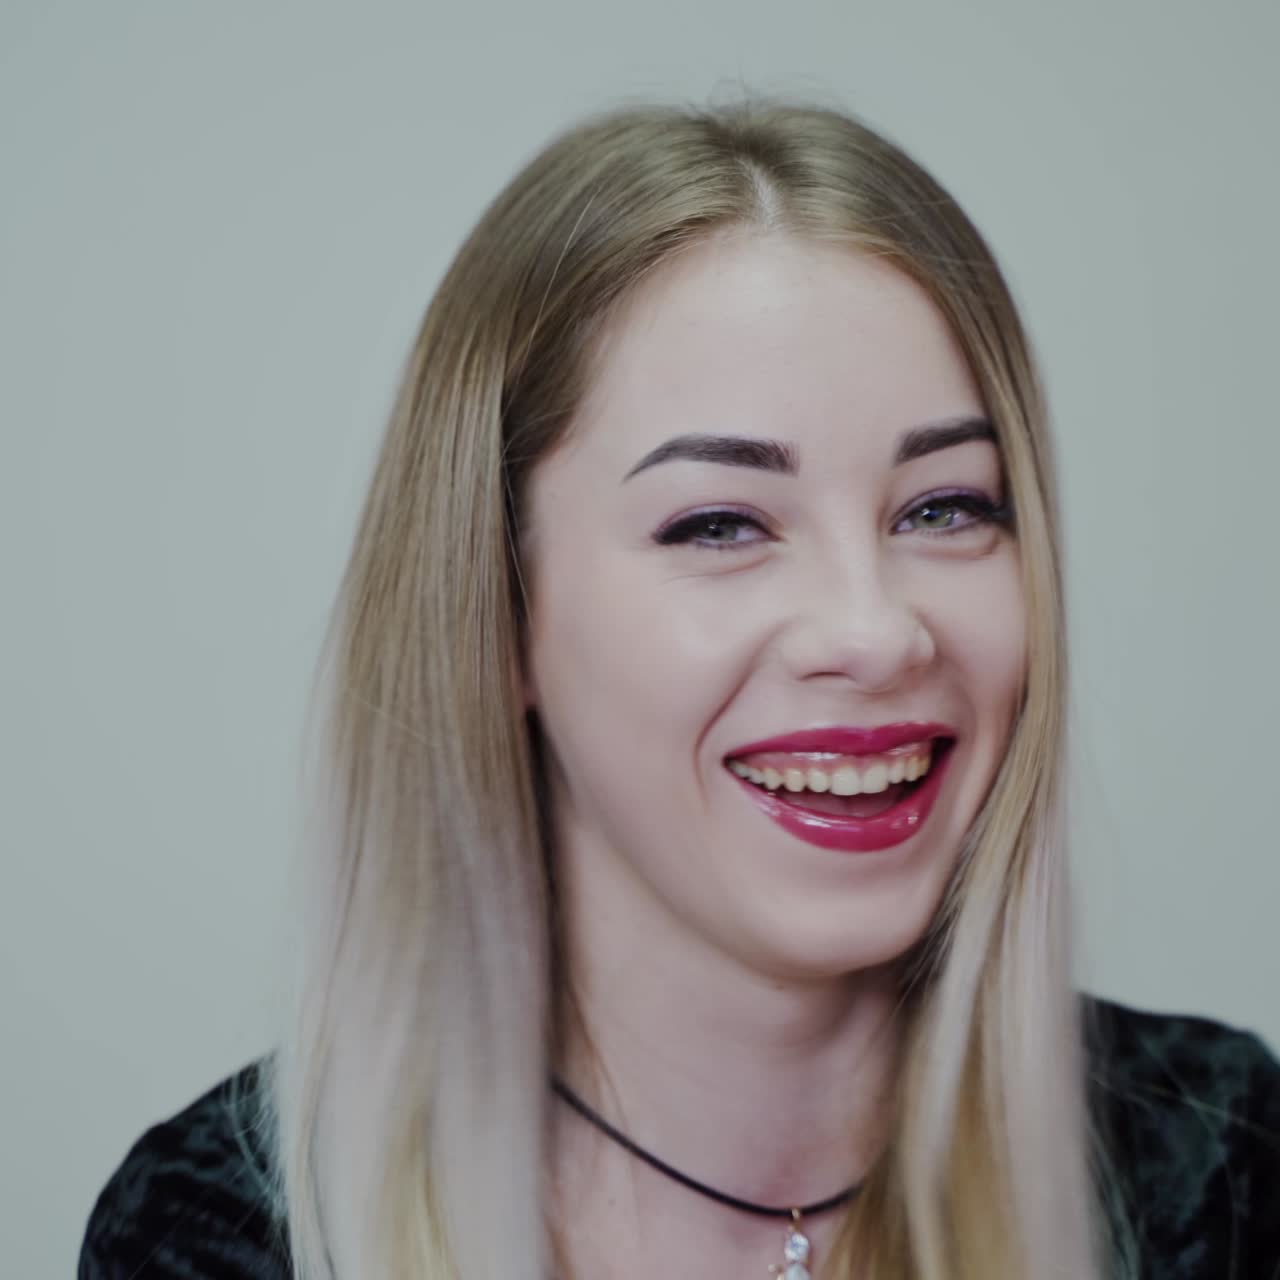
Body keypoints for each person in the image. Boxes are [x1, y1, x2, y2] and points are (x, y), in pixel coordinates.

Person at [80, 98, 1279, 1280]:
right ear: (494, 615)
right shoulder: (232, 1235)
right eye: (718, 522)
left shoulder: (1222, 1166)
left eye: (943, 507)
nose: (872, 630)